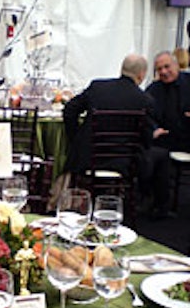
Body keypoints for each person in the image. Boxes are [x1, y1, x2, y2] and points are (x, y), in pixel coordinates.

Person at [63, 54, 171, 218]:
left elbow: (69, 110)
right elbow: (145, 139)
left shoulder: (97, 87)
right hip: (124, 163)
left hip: (88, 158)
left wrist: (76, 139)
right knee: (161, 155)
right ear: (141, 75)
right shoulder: (145, 100)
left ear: (122, 69)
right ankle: (157, 207)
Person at [146, 51, 190, 152]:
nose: (164, 72)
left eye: (167, 67)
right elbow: (146, 115)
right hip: (162, 146)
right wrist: (154, 129)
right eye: (159, 69)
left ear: (176, 65)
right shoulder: (152, 90)